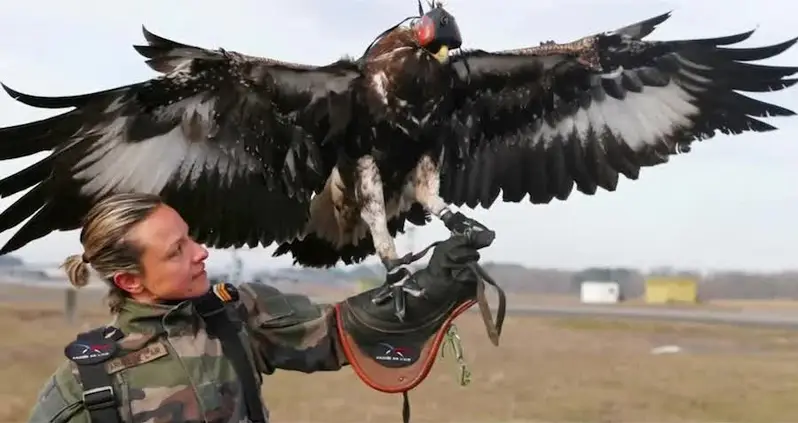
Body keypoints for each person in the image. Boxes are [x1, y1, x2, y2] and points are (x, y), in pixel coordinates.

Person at [26, 192, 494, 423]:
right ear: (130, 280)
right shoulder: (87, 389)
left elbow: (338, 331)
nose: (201, 252)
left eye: (191, 237)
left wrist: (426, 288)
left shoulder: (236, 313)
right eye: (176, 251)